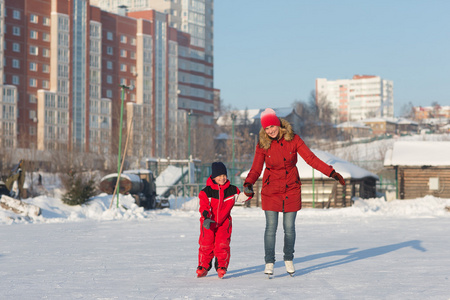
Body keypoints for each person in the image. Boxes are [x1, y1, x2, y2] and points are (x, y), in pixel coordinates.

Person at [243, 108, 345, 276]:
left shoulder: (294, 139)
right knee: (271, 228)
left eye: (272, 127)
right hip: (271, 190)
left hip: (291, 188)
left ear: (278, 124)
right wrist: (248, 183)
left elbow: (311, 159)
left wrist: (331, 172)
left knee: (289, 228)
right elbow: (256, 168)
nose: (270, 131)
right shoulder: (262, 144)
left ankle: (288, 258)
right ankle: (269, 262)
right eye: (267, 128)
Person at [196, 162, 246, 279]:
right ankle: (203, 266)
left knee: (222, 244)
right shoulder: (206, 191)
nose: (222, 178)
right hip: (208, 222)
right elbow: (204, 206)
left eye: (224, 175)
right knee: (206, 244)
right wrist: (206, 217)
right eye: (219, 176)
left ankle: (221, 266)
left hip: (224, 223)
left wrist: (248, 192)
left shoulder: (232, 190)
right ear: (213, 177)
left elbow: (241, 198)